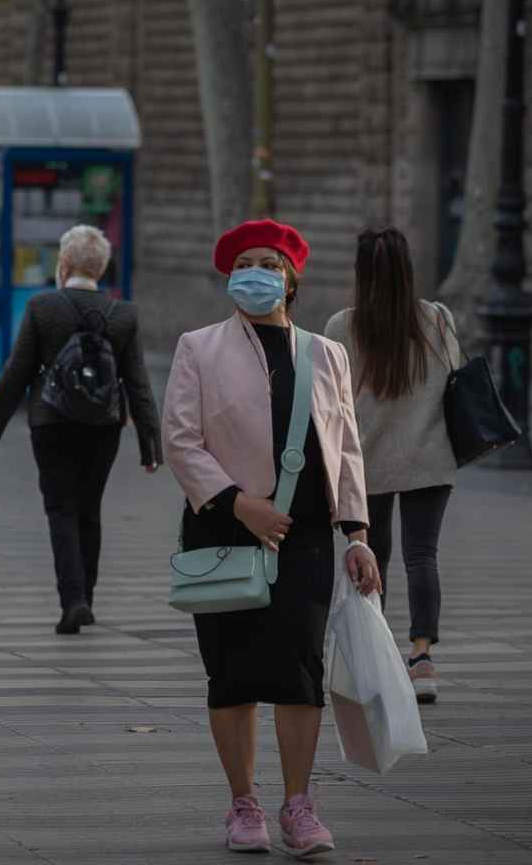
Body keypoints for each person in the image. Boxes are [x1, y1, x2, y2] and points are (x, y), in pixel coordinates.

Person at [162, 218, 381, 859]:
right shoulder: (197, 347)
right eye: (247, 262)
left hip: (307, 536)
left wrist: (359, 533)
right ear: (231, 276)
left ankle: (298, 803)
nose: (258, 272)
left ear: (291, 279)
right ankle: (243, 803)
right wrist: (240, 504)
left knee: (299, 672)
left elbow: (346, 448)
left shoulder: (326, 352)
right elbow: (180, 440)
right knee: (230, 673)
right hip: (221, 531)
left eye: (271, 263)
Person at [0, 225, 161, 634]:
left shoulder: (43, 306)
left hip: (51, 422)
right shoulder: (123, 314)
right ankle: (88, 598)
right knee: (89, 509)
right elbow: (137, 381)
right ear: (102, 268)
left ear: (63, 264)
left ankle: (73, 600)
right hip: (104, 426)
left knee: (60, 508)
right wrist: (150, 445)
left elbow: (17, 370)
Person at [323, 227, 459, 704]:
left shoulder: (343, 326)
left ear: (362, 273)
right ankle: (422, 659)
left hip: (366, 463)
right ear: (407, 270)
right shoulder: (438, 320)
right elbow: (452, 379)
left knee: (370, 556)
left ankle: (372, 658)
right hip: (430, 458)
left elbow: (330, 400)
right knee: (423, 555)